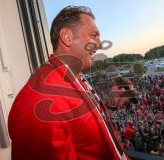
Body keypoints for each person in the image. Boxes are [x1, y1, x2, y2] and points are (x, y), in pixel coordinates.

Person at [8, 6, 130, 160]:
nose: (99, 44)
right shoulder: (41, 100)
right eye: (94, 35)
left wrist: (111, 104)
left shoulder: (73, 75)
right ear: (66, 37)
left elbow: (87, 128)